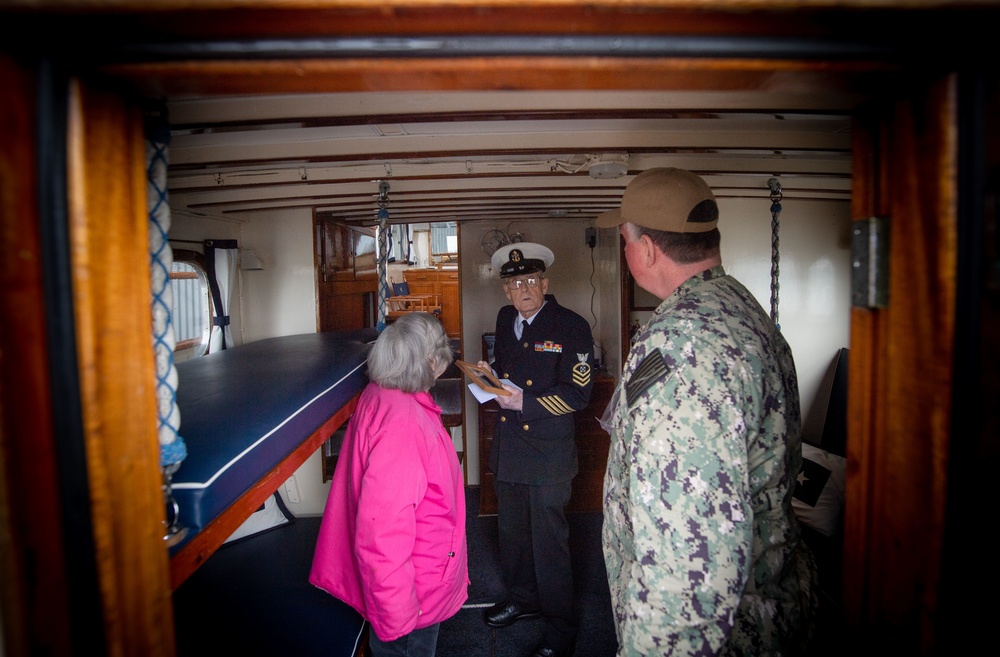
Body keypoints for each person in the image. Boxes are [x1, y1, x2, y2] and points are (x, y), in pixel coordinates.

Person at [596, 168, 818, 656]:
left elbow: (687, 567)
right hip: (768, 600)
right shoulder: (740, 307)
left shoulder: (681, 350)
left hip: (723, 635)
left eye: (625, 240)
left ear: (648, 249)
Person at [309, 311, 469, 657]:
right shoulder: (405, 425)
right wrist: (398, 616)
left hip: (414, 577)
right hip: (413, 592)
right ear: (430, 362)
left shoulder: (380, 395)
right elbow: (382, 533)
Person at [477, 242, 595, 657]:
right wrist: (491, 376)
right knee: (511, 534)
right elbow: (510, 368)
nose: (522, 289)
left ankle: (561, 630)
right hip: (510, 448)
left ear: (545, 283)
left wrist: (525, 403)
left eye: (530, 280)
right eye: (514, 283)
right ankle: (522, 600)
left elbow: (579, 394)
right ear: (506, 292)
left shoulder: (571, 326)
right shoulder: (506, 316)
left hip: (547, 453)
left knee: (549, 545)